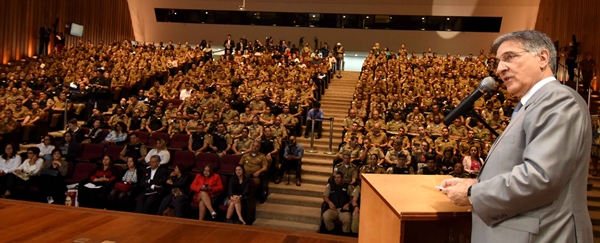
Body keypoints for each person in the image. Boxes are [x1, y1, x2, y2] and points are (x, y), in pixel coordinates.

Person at [441, 30, 593, 242]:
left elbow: (541, 177)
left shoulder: (558, 100)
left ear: (542, 58)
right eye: (498, 61)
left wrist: (473, 194)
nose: (500, 68)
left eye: (509, 57)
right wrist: (477, 183)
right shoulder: (530, 105)